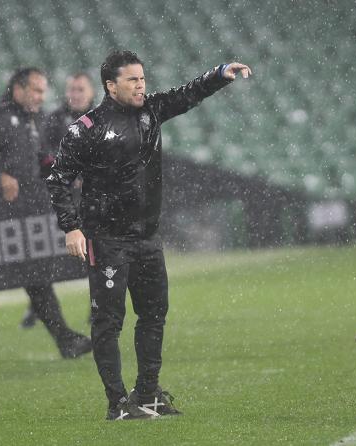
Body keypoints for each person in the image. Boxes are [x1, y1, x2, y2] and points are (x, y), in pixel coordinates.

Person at [47, 50, 251, 420]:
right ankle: (117, 403)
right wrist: (72, 227)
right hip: (107, 239)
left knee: (154, 313)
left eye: (143, 78)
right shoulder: (86, 128)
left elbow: (188, 93)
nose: (141, 85)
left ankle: (147, 394)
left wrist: (220, 74)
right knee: (108, 321)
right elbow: (58, 179)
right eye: (132, 80)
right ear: (111, 86)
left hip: (147, 237)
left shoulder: (151, 111)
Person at [0, 67, 92, 364]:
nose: (41, 96)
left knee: (34, 274)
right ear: (18, 89)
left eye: (43, 91)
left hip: (23, 211)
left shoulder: (31, 120)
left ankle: (65, 339)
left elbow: (39, 160)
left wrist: (65, 173)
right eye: (35, 90)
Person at [20, 72, 96, 329]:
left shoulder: (102, 118)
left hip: (93, 199)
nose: (75, 94)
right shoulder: (54, 119)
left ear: (91, 93)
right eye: (72, 89)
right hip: (59, 196)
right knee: (49, 252)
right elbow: (42, 153)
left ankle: (97, 305)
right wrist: (66, 170)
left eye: (80, 90)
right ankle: (38, 306)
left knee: (96, 253)